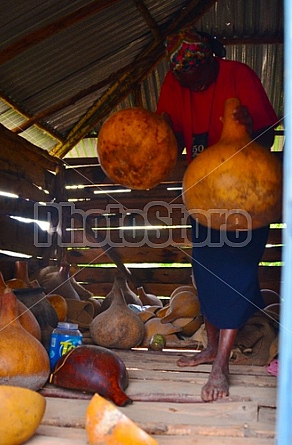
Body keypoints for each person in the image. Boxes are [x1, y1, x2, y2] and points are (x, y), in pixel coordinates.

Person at [156, 26, 279, 402]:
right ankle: (211, 347)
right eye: (185, 81)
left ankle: (221, 365)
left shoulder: (238, 76)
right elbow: (169, 139)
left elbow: (270, 135)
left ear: (211, 60)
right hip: (205, 195)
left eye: (200, 79)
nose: (193, 86)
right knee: (206, 271)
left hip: (246, 195)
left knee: (236, 273)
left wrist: (249, 127)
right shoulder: (173, 85)